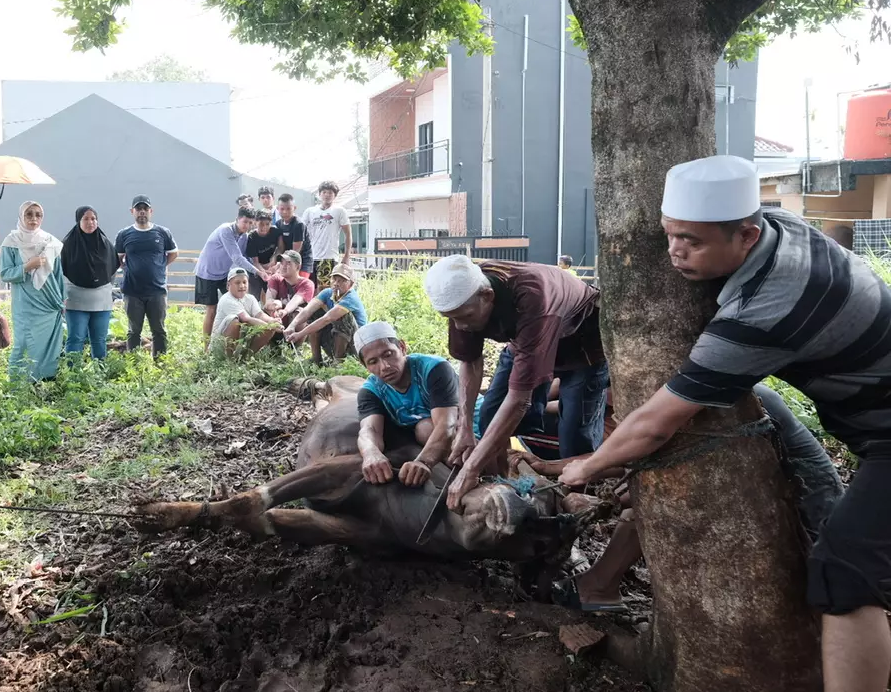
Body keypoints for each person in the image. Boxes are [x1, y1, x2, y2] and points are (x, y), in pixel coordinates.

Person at [556, 155, 891, 692]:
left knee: (846, 575)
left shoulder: (764, 307)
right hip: (865, 417)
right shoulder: (784, 231)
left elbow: (654, 426)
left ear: (747, 234)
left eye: (692, 241)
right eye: (670, 236)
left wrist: (587, 466)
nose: (675, 253)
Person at [537, 383, 843, 613]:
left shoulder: (729, 403)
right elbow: (635, 456)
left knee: (652, 502)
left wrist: (605, 488)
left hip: (808, 526)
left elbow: (647, 455)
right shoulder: (706, 399)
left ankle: (600, 587)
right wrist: (551, 467)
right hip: (770, 508)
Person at [422, 255, 609, 512]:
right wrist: (465, 427)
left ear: (487, 296)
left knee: (575, 433)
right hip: (524, 342)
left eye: (464, 316)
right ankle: (506, 483)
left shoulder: (533, 297)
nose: (460, 325)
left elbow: (520, 399)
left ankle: (571, 506)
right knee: (489, 415)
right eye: (450, 318)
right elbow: (470, 360)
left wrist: (470, 468)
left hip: (581, 344)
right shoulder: (462, 297)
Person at [354, 321, 457, 487]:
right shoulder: (370, 391)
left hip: (472, 430)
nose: (385, 366)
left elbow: (447, 425)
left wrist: (424, 462)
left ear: (402, 347)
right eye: (373, 362)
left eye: (388, 354)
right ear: (365, 366)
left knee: (425, 429)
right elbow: (369, 430)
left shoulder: (434, 369)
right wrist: (370, 453)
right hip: (431, 438)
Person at [0, 201, 66, 381]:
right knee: (23, 344)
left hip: (49, 302)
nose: (34, 218)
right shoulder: (11, 242)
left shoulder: (51, 242)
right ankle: (18, 385)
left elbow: (58, 274)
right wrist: (28, 266)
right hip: (26, 303)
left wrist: (63, 299)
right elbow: (5, 274)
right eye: (29, 214)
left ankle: (44, 382)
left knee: (48, 344)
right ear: (21, 216)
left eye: (38, 214)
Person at [194, 207, 271, 340]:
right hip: (207, 273)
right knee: (212, 310)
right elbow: (236, 258)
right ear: (237, 219)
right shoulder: (226, 230)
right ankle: (206, 347)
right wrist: (258, 272)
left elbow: (245, 257)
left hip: (225, 274)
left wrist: (262, 269)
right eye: (245, 222)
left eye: (250, 223)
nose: (247, 226)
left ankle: (231, 341)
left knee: (238, 305)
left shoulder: (244, 236)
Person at [115, 195, 178, 358]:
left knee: (159, 330)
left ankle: (160, 363)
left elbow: (173, 253)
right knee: (133, 330)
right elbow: (119, 257)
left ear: (151, 211)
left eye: (145, 209)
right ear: (132, 211)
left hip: (157, 290)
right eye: (138, 209)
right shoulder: (124, 234)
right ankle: (133, 363)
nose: (142, 212)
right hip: (132, 290)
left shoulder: (162, 232)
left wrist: (159, 266)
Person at [60, 206, 118, 360]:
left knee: (99, 340)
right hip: (76, 300)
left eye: (93, 218)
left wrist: (104, 288)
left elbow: (112, 270)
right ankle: (73, 377)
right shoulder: (67, 245)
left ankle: (99, 374)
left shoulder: (106, 244)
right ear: (78, 221)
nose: (90, 222)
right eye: (85, 218)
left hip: (101, 301)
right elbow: (60, 271)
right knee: (76, 339)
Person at [284, 263, 367, 363]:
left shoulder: (350, 298)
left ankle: (338, 362)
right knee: (315, 312)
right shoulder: (327, 292)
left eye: (342, 281)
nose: (336, 283)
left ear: (351, 284)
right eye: (334, 279)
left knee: (342, 316)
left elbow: (327, 319)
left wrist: (300, 334)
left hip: (356, 347)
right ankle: (316, 360)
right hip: (334, 339)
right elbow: (308, 309)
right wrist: (292, 325)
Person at [209, 267, 280, 356]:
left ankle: (246, 357)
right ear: (228, 285)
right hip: (219, 346)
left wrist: (272, 321)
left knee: (270, 328)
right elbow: (246, 319)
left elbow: (260, 314)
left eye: (244, 282)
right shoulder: (226, 300)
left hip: (241, 341)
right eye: (237, 283)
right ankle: (229, 360)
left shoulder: (250, 298)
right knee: (234, 320)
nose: (242, 286)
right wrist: (269, 326)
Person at [302, 181, 351, 286]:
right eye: (324, 192)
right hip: (310, 257)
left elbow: (348, 234)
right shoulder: (310, 211)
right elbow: (301, 232)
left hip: (329, 257)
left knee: (326, 290)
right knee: (309, 288)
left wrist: (347, 256)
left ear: (335, 195)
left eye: (330, 193)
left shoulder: (339, 211)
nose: (327, 195)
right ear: (319, 194)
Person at [263, 250, 315, 327]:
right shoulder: (275, 279)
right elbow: (269, 300)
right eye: (281, 262)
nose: (283, 266)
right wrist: (275, 304)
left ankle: (295, 338)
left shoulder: (307, 284)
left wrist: (285, 311)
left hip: (295, 324)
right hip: (276, 320)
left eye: (288, 263)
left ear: (298, 266)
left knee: (298, 313)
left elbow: (296, 300)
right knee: (263, 312)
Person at [244, 210, 284, 301]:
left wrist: (274, 259)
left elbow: (281, 248)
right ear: (255, 222)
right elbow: (255, 262)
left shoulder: (276, 231)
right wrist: (263, 272)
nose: (264, 227)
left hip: (271, 266)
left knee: (272, 294)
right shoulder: (251, 237)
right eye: (261, 224)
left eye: (267, 224)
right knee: (253, 297)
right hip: (255, 268)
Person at [276, 193, 314, 278]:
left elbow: (295, 252)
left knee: (300, 285)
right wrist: (274, 261)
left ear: (294, 208)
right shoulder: (278, 224)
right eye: (282, 209)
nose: (285, 212)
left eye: (288, 208)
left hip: (303, 261)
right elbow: (280, 247)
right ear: (277, 209)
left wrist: (282, 266)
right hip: (286, 260)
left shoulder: (298, 224)